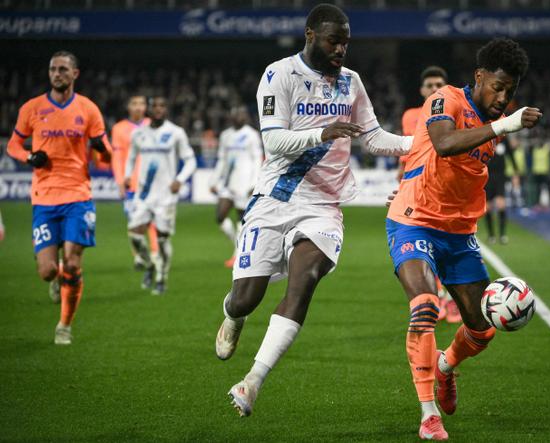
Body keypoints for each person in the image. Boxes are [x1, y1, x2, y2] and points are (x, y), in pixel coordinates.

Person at [214, 3, 412, 418]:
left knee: (304, 279)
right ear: (310, 35)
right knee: (245, 298)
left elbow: (373, 137)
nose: (341, 50)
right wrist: (323, 131)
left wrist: (422, 144)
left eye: (346, 42)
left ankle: (253, 381)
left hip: (323, 205)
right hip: (275, 198)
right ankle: (233, 315)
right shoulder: (278, 74)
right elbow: (273, 141)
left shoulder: (351, 83)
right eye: (333, 41)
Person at [386, 38, 541, 440]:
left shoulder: (492, 126)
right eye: (498, 87)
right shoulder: (446, 99)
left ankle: (445, 368)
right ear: (479, 77)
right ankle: (427, 415)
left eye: (511, 92)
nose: (503, 98)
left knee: (483, 328)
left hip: (459, 232)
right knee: (424, 307)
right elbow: (442, 143)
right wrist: (506, 123)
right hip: (414, 220)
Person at [7, 50, 112, 345]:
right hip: (44, 197)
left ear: (75, 74)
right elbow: (13, 145)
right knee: (47, 270)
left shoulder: (88, 109)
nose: (57, 74)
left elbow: (106, 154)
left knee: (74, 263)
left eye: (63, 69)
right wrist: (29, 157)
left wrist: (101, 149)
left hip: (78, 195)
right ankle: (56, 278)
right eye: (53, 69)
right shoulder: (32, 108)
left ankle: (64, 325)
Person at [399, 66, 461, 323]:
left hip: (449, 189)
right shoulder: (411, 115)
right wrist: (402, 183)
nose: (435, 89)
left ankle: (448, 296)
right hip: (418, 190)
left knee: (451, 248)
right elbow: (410, 152)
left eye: (439, 85)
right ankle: (439, 297)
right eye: (430, 85)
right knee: (422, 247)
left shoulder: (456, 112)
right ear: (422, 90)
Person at [124, 96, 196, 295]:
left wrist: (180, 179)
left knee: (162, 240)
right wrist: (127, 176)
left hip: (166, 197)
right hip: (143, 195)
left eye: (162, 106)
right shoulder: (139, 134)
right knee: (135, 235)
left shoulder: (175, 133)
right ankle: (149, 264)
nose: (158, 109)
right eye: (154, 105)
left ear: (167, 110)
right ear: (149, 109)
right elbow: (130, 158)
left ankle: (162, 277)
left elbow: (190, 161)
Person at [208, 105, 264, 268]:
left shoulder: (251, 135)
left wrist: (254, 182)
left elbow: (256, 160)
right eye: (238, 114)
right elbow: (222, 160)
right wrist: (214, 180)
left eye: (243, 114)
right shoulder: (226, 135)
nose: (241, 116)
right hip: (228, 183)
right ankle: (236, 246)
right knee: (220, 216)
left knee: (241, 219)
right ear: (231, 117)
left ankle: (237, 254)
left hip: (245, 183)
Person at [111, 94, 159, 270]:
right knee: (133, 221)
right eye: (134, 103)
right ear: (128, 107)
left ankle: (154, 254)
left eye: (142, 103)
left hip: (151, 183)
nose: (138, 107)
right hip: (130, 183)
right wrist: (120, 180)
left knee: (152, 221)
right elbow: (117, 157)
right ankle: (138, 256)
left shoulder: (153, 125)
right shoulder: (119, 129)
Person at [484, 135, 519, 244]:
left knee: (501, 205)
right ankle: (491, 235)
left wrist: (515, 173)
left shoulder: (504, 139)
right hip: (487, 177)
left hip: (500, 177)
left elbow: (511, 155)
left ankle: (502, 235)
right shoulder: (486, 137)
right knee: (488, 207)